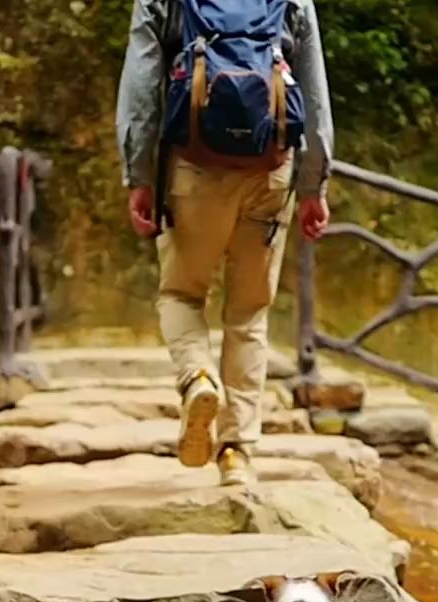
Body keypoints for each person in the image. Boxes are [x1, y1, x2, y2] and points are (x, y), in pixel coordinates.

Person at [117, 0, 334, 486]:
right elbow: (314, 94)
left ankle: (196, 377)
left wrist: (138, 175)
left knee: (181, 293)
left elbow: (140, 85)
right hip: (269, 170)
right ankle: (236, 453)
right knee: (248, 311)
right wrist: (314, 186)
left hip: (193, 169)